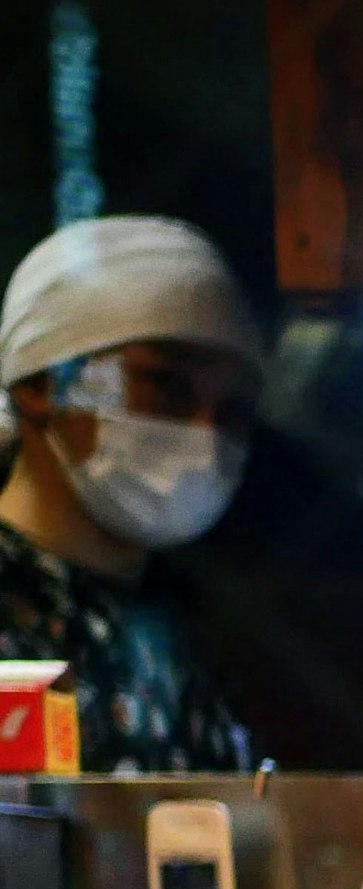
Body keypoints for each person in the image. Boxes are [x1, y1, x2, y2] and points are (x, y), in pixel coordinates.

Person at [0, 216, 261, 773]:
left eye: (233, 409)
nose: (204, 435)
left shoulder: (179, 628)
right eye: (165, 383)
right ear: (39, 384)